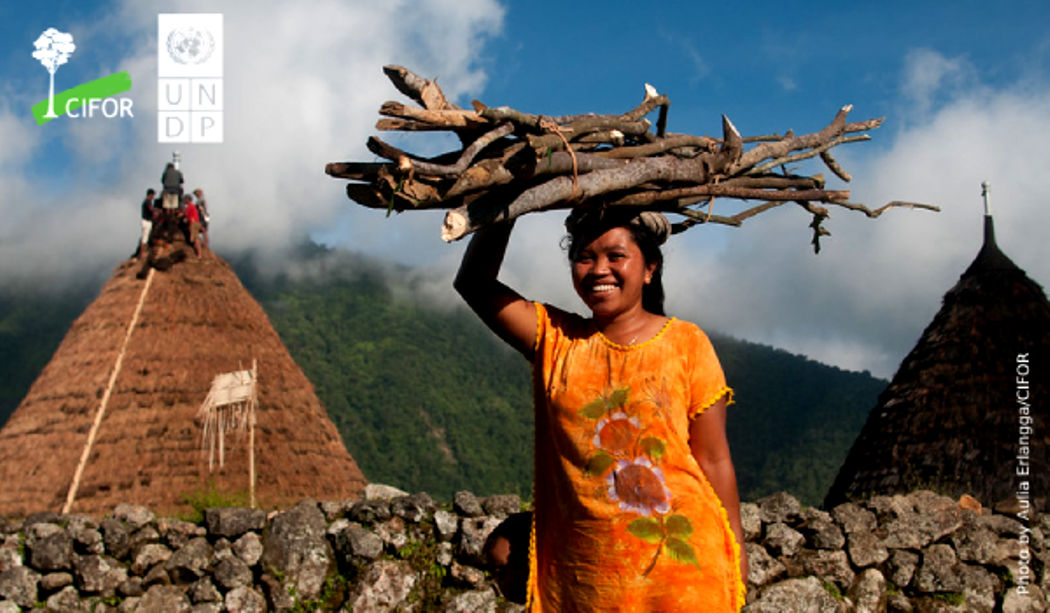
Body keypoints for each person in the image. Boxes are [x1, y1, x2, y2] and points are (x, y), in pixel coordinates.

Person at [455, 207, 747, 611]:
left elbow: (714, 460)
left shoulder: (686, 343)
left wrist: (737, 553)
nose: (598, 269)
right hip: (586, 577)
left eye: (616, 255)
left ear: (650, 269)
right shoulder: (556, 341)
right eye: (585, 256)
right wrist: (509, 203)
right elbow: (474, 283)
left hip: (683, 574)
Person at [137, 188, 157, 260]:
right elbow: (151, 209)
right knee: (145, 238)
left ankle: (142, 253)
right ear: (150, 194)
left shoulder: (146, 201)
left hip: (145, 221)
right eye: (153, 195)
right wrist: (156, 211)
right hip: (147, 221)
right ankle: (141, 255)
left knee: (145, 237)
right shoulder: (148, 201)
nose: (153, 197)